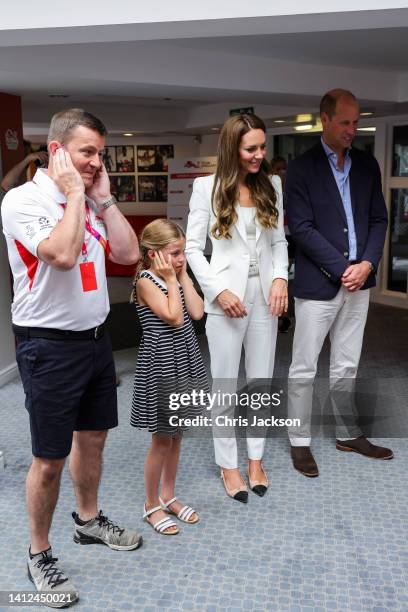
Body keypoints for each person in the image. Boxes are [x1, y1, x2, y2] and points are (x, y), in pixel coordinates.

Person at [1, 108, 142, 606]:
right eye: (88, 152)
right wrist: (78, 196)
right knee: (49, 459)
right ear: (57, 149)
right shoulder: (23, 200)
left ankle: (87, 521)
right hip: (48, 346)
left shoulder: (91, 196)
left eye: (100, 153)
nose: (96, 162)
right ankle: (38, 553)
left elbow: (127, 255)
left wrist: (103, 200)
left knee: (95, 438)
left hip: (95, 340)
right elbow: (61, 254)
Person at [285, 89, 393, 478]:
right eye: (345, 122)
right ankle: (299, 441)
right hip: (320, 285)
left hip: (360, 283)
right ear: (324, 120)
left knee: (347, 364)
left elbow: (379, 219)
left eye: (356, 121)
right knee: (304, 366)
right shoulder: (300, 169)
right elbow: (301, 228)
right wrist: (343, 267)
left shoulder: (367, 164)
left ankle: (348, 432)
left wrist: (366, 263)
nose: (352, 129)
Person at [186, 113, 288, 503]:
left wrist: (280, 277)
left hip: (265, 296)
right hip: (225, 300)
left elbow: (278, 243)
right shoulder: (205, 187)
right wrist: (216, 291)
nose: (259, 155)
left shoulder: (272, 184)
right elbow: (193, 248)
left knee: (261, 382)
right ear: (232, 148)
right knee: (225, 386)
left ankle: (256, 459)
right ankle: (229, 465)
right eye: (251, 148)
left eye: (263, 147)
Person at [130, 219, 207, 534]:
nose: (179, 258)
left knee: (177, 436)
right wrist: (170, 279)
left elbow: (198, 312)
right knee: (162, 440)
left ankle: (169, 494)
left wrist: (183, 274)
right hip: (162, 364)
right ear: (153, 255)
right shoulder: (147, 281)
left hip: (184, 360)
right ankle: (150, 504)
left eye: (182, 252)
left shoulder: (177, 275)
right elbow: (175, 317)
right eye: (174, 253)